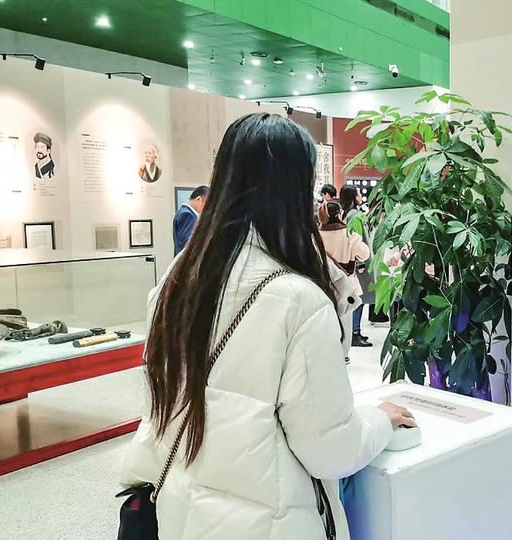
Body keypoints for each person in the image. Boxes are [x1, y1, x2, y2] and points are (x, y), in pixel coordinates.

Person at [120, 113, 415, 540]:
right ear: (296, 189)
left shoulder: (177, 278)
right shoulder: (298, 299)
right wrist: (380, 420)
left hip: (179, 513)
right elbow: (330, 449)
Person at [319, 199, 373, 347]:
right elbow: (364, 254)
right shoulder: (348, 234)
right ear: (339, 214)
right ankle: (347, 345)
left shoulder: (316, 234)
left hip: (322, 282)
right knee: (347, 318)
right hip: (346, 282)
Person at [339, 184, 374, 343]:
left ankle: (354, 331)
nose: (361, 195)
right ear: (353, 197)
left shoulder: (347, 214)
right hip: (360, 263)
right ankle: (355, 332)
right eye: (358, 193)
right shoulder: (356, 216)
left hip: (351, 262)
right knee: (359, 296)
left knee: (356, 296)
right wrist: (360, 263)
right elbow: (357, 240)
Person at [172, 186, 207, 255]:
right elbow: (188, 245)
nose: (205, 208)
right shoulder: (187, 215)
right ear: (199, 199)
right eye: (206, 204)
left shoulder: (183, 212)